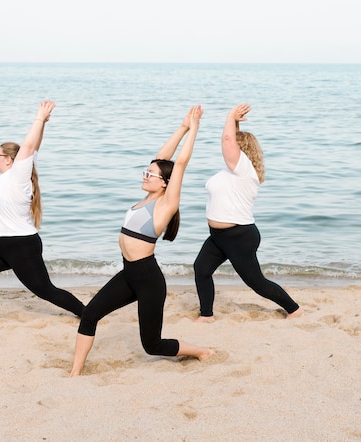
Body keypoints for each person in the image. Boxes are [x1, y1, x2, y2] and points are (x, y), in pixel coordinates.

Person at [70, 105, 214, 377]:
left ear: (164, 184)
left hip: (148, 279)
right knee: (90, 315)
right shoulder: (149, 197)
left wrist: (194, 130)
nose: (145, 175)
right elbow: (162, 159)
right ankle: (75, 373)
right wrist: (182, 126)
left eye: (150, 175)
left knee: (152, 344)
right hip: (129, 274)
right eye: (145, 172)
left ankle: (201, 351)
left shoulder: (165, 205)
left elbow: (179, 164)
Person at [0, 100, 84, 320]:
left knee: (45, 290)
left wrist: (39, 118)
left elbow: (28, 148)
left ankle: (86, 313)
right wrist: (43, 126)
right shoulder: (8, 178)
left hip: (19, 246)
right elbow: (35, 147)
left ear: (10, 160)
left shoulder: (18, 178)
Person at [193, 104, 301, 322]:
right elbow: (230, 141)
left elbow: (227, 141)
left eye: (233, 144)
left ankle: (294, 309)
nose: (226, 148)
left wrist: (230, 116)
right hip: (219, 237)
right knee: (201, 269)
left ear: (241, 150)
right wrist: (235, 122)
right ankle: (207, 315)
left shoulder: (243, 170)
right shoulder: (232, 171)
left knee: (256, 282)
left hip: (239, 236)